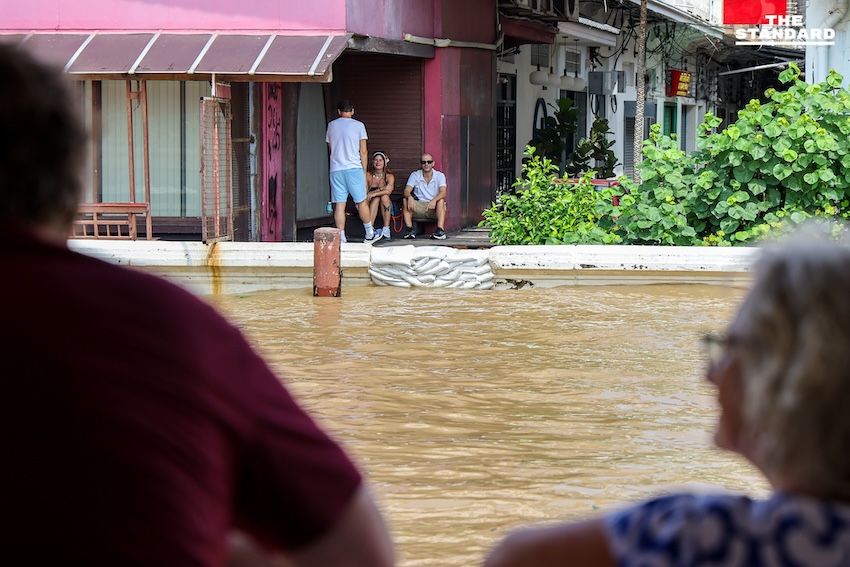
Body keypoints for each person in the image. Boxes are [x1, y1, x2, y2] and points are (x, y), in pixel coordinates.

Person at [0, 44, 394, 567]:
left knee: (341, 208)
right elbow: (359, 550)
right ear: (74, 175)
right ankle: (370, 237)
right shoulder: (165, 326)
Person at [484, 223, 850, 567]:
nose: (709, 374)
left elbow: (514, 556)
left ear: (791, 378)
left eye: (727, 347)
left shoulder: (706, 534)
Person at [326, 99, 376, 243]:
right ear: (352, 111)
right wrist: (364, 170)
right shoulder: (359, 126)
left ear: (338, 111)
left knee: (340, 204)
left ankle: (341, 238)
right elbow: (364, 151)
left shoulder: (331, 125)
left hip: (336, 169)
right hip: (354, 168)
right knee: (361, 201)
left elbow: (331, 148)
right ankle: (369, 233)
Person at [402, 152, 447, 240]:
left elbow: (443, 192)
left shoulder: (440, 175)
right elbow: (406, 191)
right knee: (405, 200)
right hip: (419, 206)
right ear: (421, 164)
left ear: (433, 163)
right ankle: (409, 230)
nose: (426, 164)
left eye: (429, 162)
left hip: (433, 208)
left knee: (441, 200)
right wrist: (410, 197)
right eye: (424, 162)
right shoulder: (415, 175)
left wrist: (434, 200)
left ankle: (440, 231)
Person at [366, 151, 394, 241]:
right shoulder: (368, 175)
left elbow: (388, 190)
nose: (378, 162)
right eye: (376, 160)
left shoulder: (389, 176)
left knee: (383, 197)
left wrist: (375, 193)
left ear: (384, 162)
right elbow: (364, 191)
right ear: (372, 162)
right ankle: (370, 230)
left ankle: (386, 228)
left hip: (384, 203)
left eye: (380, 160)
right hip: (369, 202)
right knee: (376, 199)